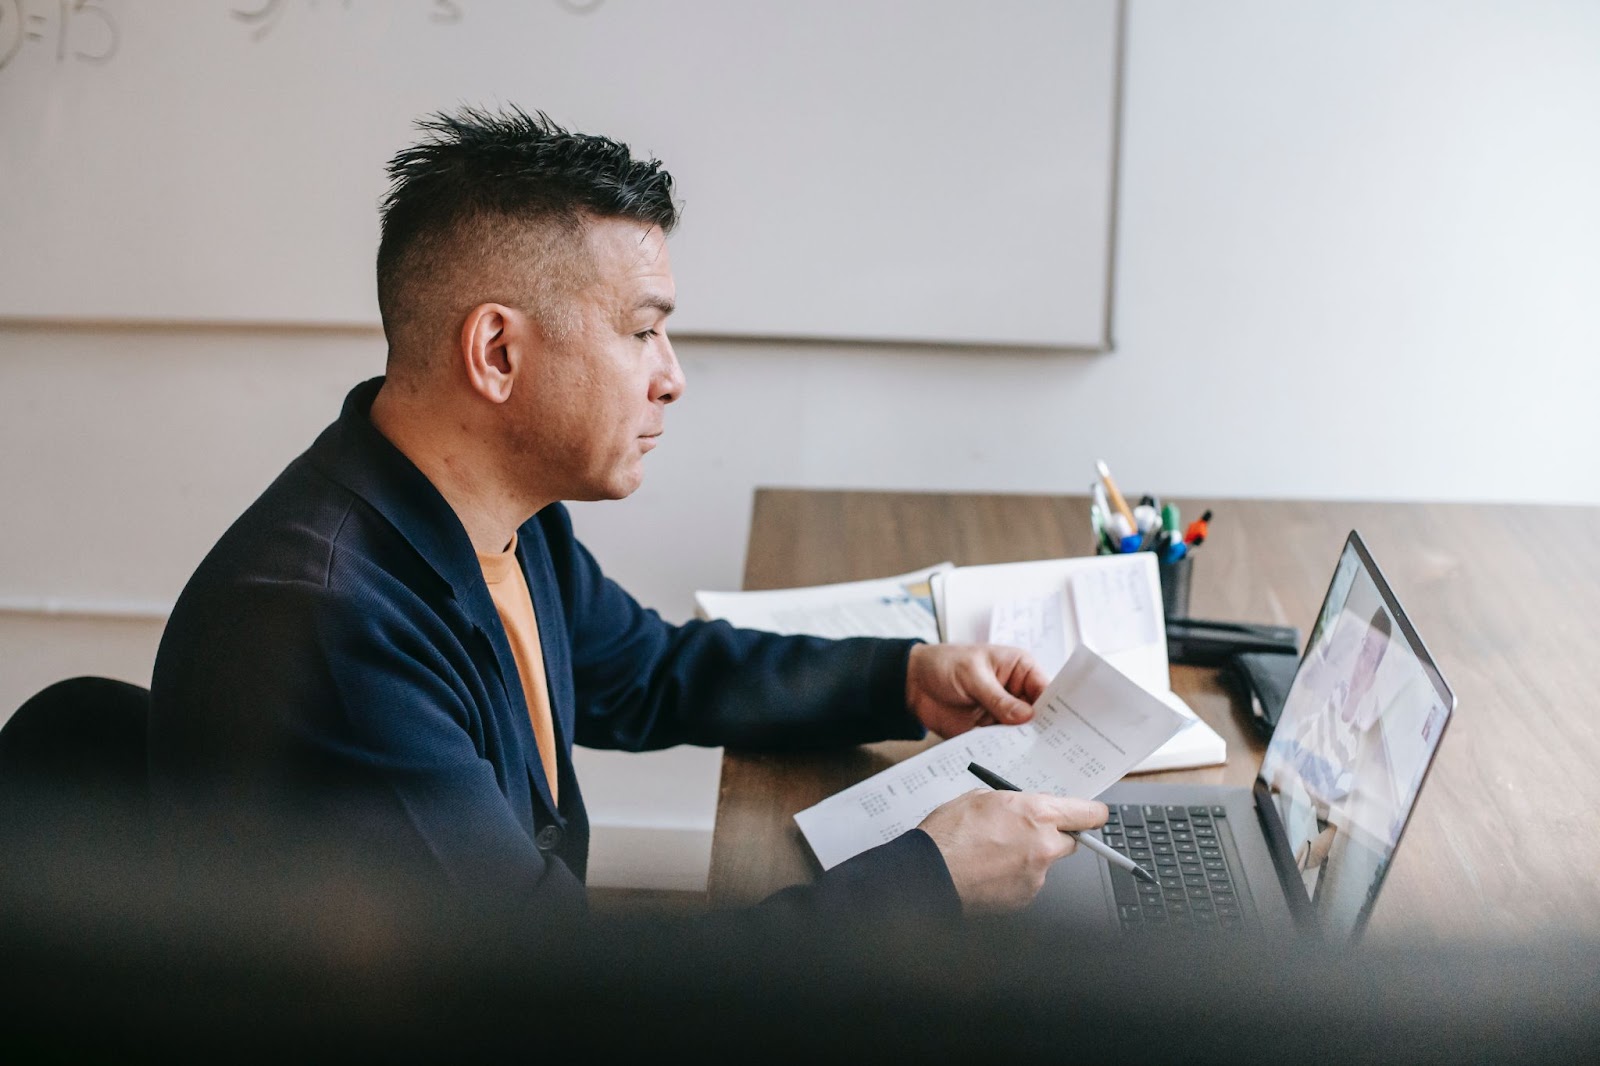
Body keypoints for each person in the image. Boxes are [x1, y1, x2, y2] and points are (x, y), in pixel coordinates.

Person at [148, 105, 1106, 924]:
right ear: (496, 353)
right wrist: (927, 882)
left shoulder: (503, 519)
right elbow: (554, 998)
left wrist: (904, 680)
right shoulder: (331, 629)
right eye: (642, 331)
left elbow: (649, 673)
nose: (672, 378)